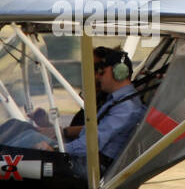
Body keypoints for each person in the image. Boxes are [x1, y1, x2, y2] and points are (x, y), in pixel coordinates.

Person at [37, 46, 144, 176]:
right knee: (24, 133)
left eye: (101, 72)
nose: (98, 77)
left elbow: (92, 143)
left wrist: (57, 149)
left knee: (26, 148)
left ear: (119, 72)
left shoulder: (126, 107)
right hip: (84, 159)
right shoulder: (117, 101)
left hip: (88, 167)